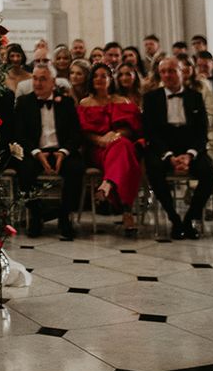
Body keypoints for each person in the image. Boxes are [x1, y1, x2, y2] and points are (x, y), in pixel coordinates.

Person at [142, 56, 213, 240]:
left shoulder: (195, 97)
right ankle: (174, 218)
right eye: (163, 72)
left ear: (182, 72)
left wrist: (190, 155)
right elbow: (150, 132)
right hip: (163, 146)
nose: (167, 75)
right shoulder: (151, 98)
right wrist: (168, 156)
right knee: (153, 170)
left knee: (209, 174)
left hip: (190, 146)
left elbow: (202, 132)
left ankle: (190, 218)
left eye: (172, 71)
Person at [13, 63, 83, 239]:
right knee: (24, 169)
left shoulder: (66, 102)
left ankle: (65, 216)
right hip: (35, 151)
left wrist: (64, 152)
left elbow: (76, 134)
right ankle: (36, 216)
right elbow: (19, 134)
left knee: (76, 168)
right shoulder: (24, 102)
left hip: (61, 152)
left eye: (42, 79)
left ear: (53, 82)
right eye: (35, 78)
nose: (37, 83)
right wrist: (36, 152)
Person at [78, 63, 142, 235]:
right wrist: (100, 140)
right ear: (91, 80)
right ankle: (127, 211)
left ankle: (108, 183)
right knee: (126, 156)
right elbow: (83, 132)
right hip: (96, 151)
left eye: (104, 76)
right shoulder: (85, 103)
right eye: (96, 76)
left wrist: (114, 136)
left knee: (123, 146)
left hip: (119, 144)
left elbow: (131, 128)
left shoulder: (122, 101)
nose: (100, 79)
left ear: (110, 79)